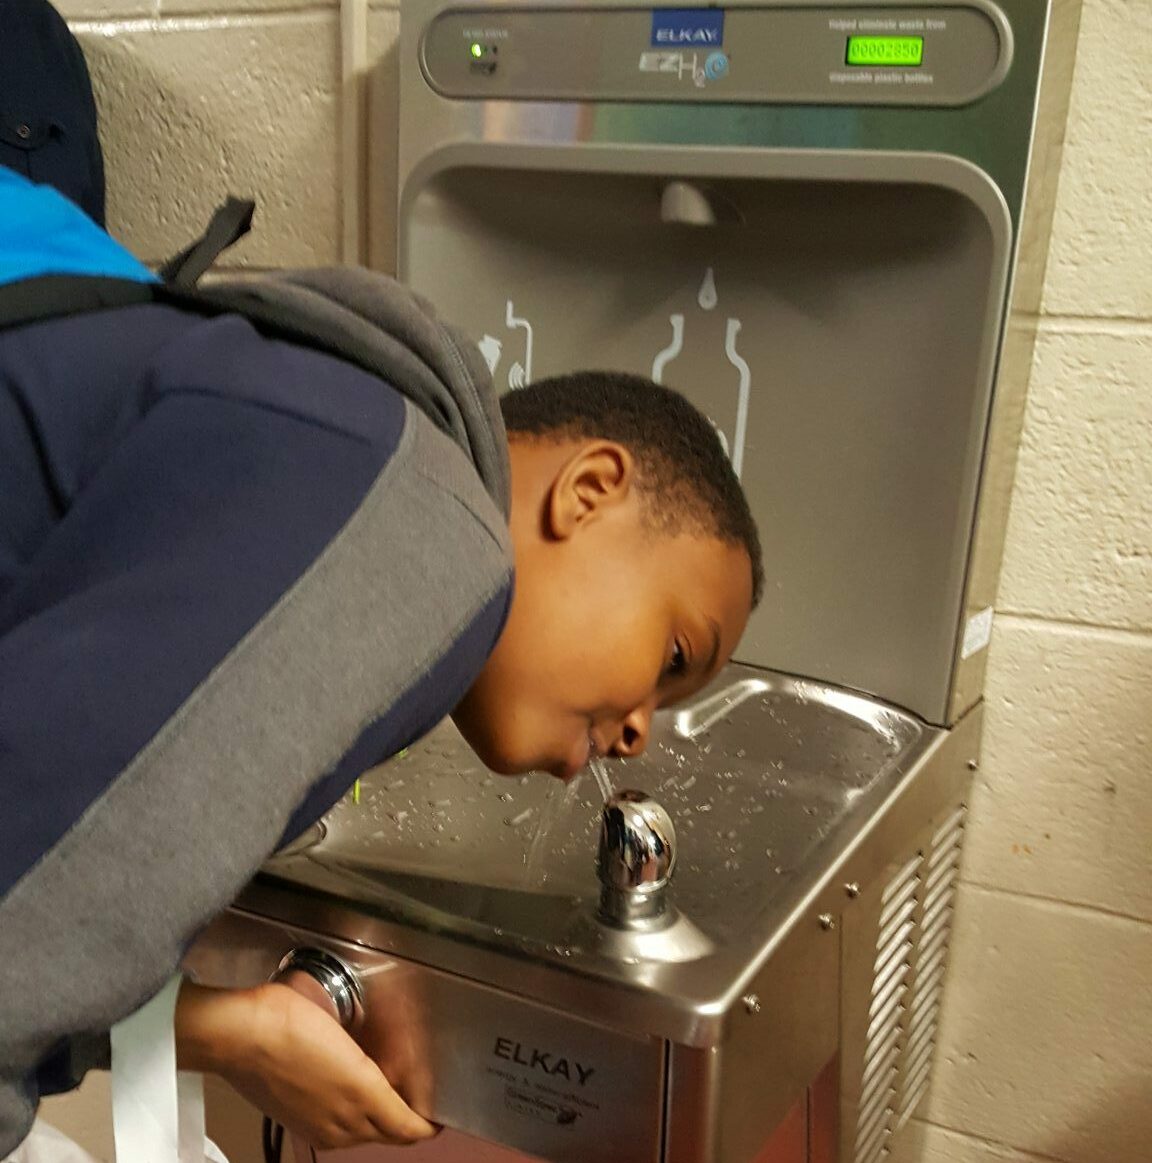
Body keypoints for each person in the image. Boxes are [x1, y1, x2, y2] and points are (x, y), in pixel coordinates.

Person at [0, 168, 763, 1156]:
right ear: (590, 490)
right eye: (672, 654)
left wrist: (224, 1028)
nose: (638, 729)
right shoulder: (430, 522)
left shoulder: (311, 395)